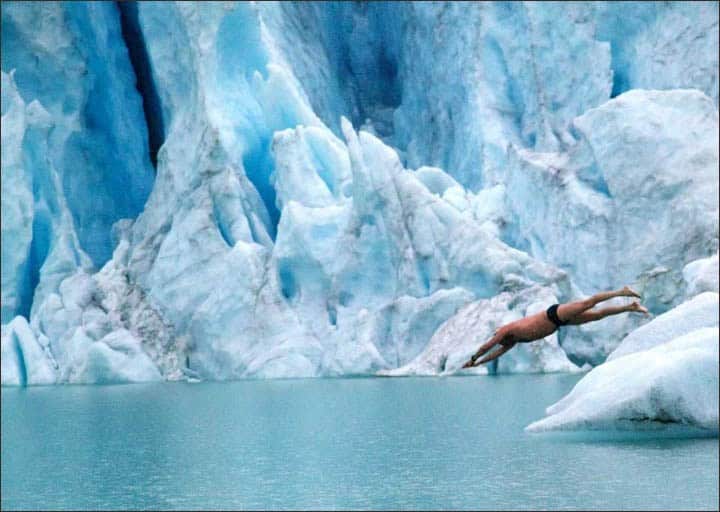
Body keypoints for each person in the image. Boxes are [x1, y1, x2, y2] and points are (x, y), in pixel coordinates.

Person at [462, 286, 649, 368]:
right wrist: (478, 364)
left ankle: (621, 292)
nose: (498, 338)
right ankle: (630, 307)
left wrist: (473, 357)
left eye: (497, 336)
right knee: (597, 316)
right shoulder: (511, 341)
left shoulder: (506, 331)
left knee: (588, 303)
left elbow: (487, 346)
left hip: (554, 314)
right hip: (558, 323)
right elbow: (496, 353)